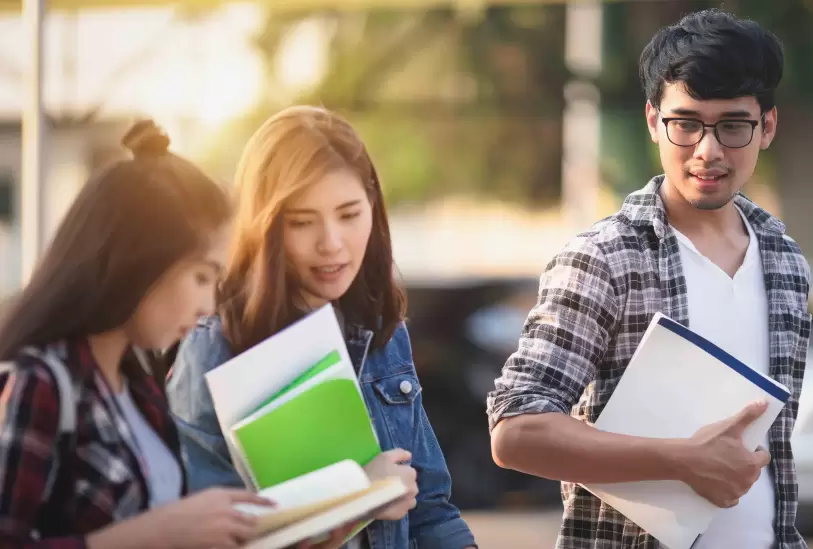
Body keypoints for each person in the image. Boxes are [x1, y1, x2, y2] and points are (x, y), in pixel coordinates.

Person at [487, 8, 812, 549]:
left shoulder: (785, 262)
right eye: (686, 123)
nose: (708, 151)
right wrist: (680, 461)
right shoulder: (605, 258)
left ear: (768, 126)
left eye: (733, 125)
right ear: (652, 121)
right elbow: (515, 429)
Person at [166, 105, 477, 549]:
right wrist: (354, 496)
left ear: (373, 208)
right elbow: (205, 533)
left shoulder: (381, 333)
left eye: (349, 215)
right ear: (265, 226)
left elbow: (430, 512)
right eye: (302, 223)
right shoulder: (214, 347)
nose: (330, 243)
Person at [0, 120, 285, 549]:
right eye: (201, 277)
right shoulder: (40, 382)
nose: (208, 306)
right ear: (141, 260)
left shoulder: (138, 384)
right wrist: (151, 535)